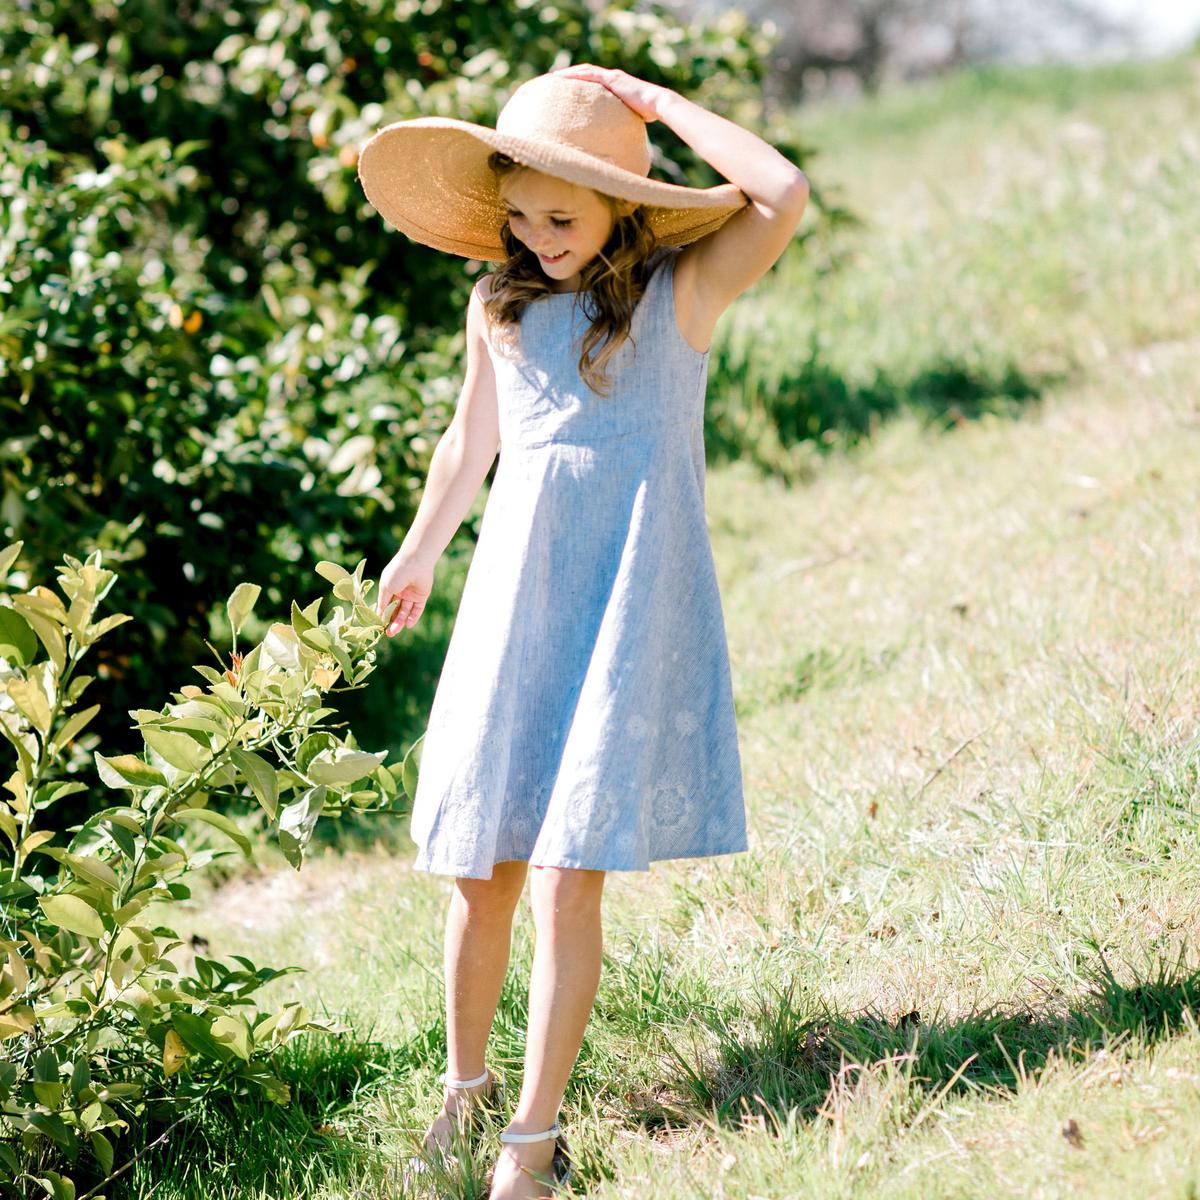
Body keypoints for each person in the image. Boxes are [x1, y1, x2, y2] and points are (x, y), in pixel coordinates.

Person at [358, 62, 808, 1200]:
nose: (537, 236)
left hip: (623, 605)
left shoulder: (680, 296)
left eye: (562, 215)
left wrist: (655, 107)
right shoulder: (499, 305)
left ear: (621, 201)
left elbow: (780, 189)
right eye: (519, 216)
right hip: (517, 603)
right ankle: (462, 1095)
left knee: (566, 874)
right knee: (484, 867)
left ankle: (532, 1139)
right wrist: (418, 551)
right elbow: (471, 447)